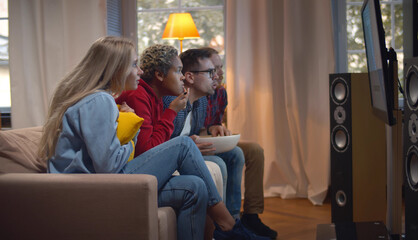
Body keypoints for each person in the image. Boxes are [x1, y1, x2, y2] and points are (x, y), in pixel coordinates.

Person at [38, 37, 257, 240]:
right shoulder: (99, 101)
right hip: (94, 189)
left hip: (98, 183)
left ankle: (227, 225)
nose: (140, 71)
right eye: (134, 64)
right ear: (116, 68)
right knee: (183, 145)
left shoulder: (99, 100)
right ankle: (228, 224)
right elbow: (109, 166)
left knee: (195, 186)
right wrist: (133, 129)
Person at [163, 48, 266, 240]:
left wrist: (211, 131)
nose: (217, 75)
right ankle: (227, 228)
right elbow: (163, 141)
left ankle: (235, 221)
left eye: (217, 69)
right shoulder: (173, 101)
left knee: (236, 154)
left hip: (190, 149)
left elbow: (196, 131)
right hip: (177, 154)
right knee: (218, 163)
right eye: (211, 71)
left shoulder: (201, 102)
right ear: (190, 77)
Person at [201, 47, 278, 239]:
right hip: (199, 142)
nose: (219, 73)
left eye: (221, 67)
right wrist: (209, 130)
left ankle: (251, 215)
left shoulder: (220, 93)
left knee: (254, 150)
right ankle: (232, 220)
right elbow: (192, 128)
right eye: (214, 68)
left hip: (212, 139)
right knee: (236, 154)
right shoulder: (196, 90)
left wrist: (217, 127)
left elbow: (214, 122)